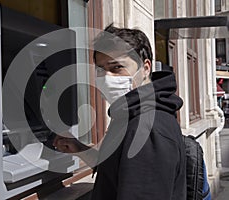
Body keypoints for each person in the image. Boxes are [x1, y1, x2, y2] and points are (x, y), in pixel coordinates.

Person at [53, 24, 186, 200]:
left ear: (145, 68)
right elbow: (119, 169)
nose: (107, 78)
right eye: (101, 69)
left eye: (116, 67)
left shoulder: (146, 129)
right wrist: (80, 149)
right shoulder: (133, 114)